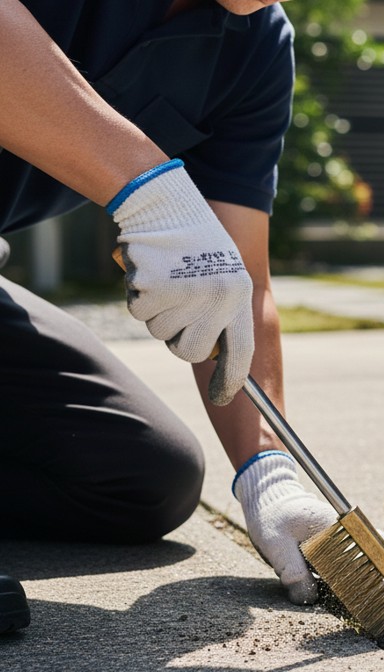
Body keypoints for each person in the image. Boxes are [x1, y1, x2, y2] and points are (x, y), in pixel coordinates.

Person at [0, 0, 341, 633]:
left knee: (141, 477)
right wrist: (148, 188)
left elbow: (242, 281)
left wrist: (268, 469)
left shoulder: (255, 46)